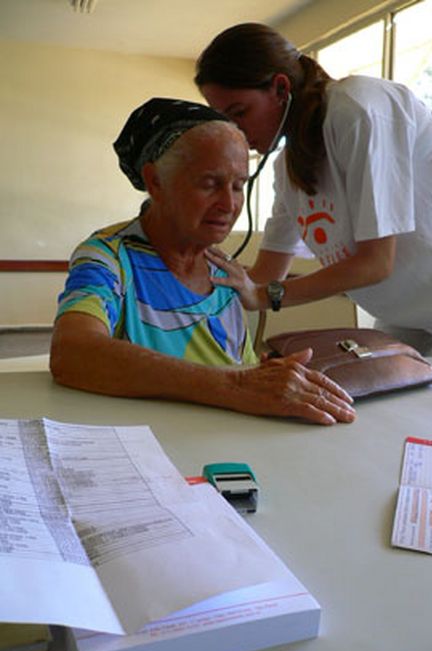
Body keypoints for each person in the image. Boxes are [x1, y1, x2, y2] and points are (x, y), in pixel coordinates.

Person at [195, 23, 432, 356]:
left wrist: (269, 295)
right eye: (225, 120)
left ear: (280, 88)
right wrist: (200, 276)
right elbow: (265, 276)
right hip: (408, 315)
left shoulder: (357, 108)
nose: (236, 132)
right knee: (388, 400)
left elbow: (375, 263)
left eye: (240, 113)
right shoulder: (287, 168)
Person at [50, 97, 355, 426]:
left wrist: (264, 375)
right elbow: (73, 352)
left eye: (239, 186)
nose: (229, 203)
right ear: (155, 181)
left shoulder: (222, 270)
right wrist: (236, 385)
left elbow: (237, 367)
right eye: (209, 184)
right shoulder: (109, 257)